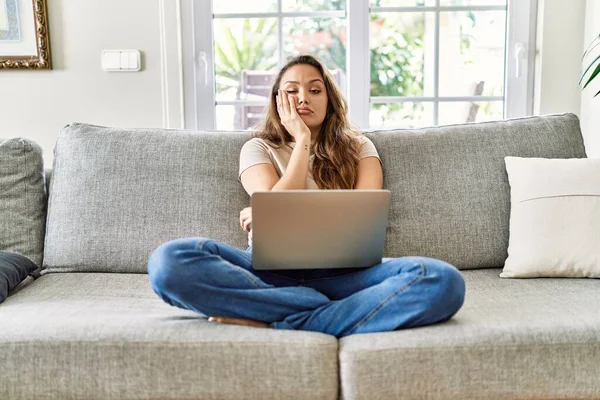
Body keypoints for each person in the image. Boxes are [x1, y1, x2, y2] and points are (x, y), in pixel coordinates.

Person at [147, 55, 466, 338]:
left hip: (346, 274)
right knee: (169, 261)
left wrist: (267, 210)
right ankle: (321, 308)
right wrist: (301, 140)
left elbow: (365, 215)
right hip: (265, 273)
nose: (303, 98)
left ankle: (282, 320)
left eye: (315, 90)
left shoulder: (359, 148)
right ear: (276, 100)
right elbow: (278, 209)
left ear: (329, 99)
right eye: (291, 91)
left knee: (441, 279)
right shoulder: (257, 148)